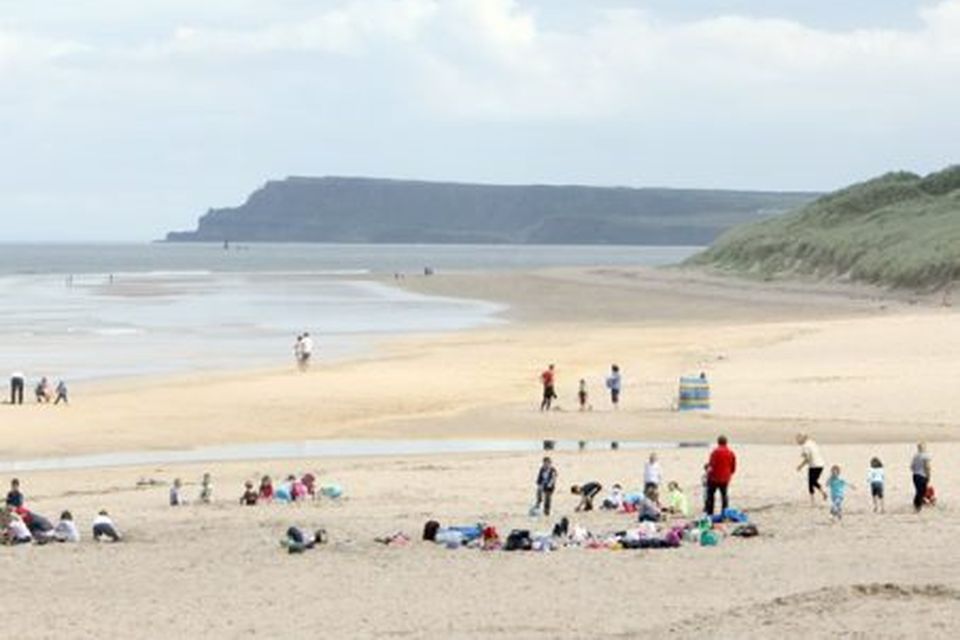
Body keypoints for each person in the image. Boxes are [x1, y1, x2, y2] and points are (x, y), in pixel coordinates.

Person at [704, 435, 737, 516]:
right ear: (726, 442)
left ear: (718, 442)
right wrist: (729, 474)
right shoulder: (731, 453)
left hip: (714, 478)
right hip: (725, 478)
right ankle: (724, 512)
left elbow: (712, 465)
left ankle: (710, 512)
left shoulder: (715, 452)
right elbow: (733, 467)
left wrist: (707, 471)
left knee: (710, 495)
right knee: (724, 496)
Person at [796, 433, 827, 505]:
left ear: (803, 438)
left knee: (812, 482)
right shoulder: (812, 443)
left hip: (814, 465)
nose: (797, 441)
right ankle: (822, 493)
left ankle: (813, 500)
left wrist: (800, 466)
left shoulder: (805, 446)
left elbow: (807, 459)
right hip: (820, 465)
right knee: (813, 482)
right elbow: (813, 453)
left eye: (798, 439)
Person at [910, 442, 932, 513]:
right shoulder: (925, 456)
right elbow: (927, 467)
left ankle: (916, 506)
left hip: (915, 476)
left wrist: (916, 470)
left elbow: (912, 467)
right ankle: (918, 507)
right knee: (922, 492)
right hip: (922, 476)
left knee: (918, 491)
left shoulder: (915, 456)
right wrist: (928, 476)